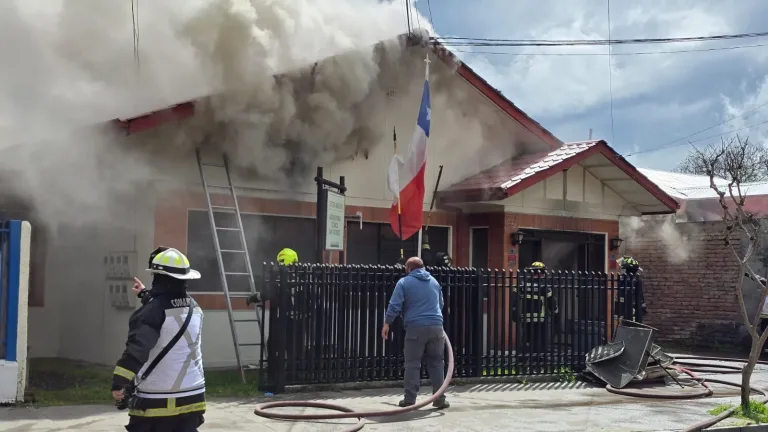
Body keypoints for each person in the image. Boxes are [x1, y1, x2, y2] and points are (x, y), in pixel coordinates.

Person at [112, 247, 206, 432]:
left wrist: (119, 383)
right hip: (194, 396)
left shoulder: (150, 313)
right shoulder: (195, 308)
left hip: (158, 399)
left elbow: (136, 350)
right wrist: (146, 295)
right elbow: (170, 312)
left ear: (159, 276)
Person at [382, 256, 450, 409]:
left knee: (412, 364)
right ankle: (439, 399)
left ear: (408, 269)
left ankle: (410, 399)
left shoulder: (404, 282)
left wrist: (387, 323)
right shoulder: (434, 282)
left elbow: (395, 304)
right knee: (437, 363)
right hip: (437, 327)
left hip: (415, 328)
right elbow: (441, 304)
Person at [513, 262, 559, 371]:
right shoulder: (544, 286)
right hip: (540, 319)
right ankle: (539, 364)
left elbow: (514, 298)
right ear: (542, 273)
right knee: (540, 342)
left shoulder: (523, 284)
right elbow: (552, 302)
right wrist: (556, 313)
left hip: (526, 319)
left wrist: (514, 311)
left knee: (528, 341)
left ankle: (525, 364)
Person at [614, 256, 646, 324]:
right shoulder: (633, 280)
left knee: (630, 325)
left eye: (624, 269)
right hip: (628, 307)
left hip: (630, 308)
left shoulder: (628, 280)